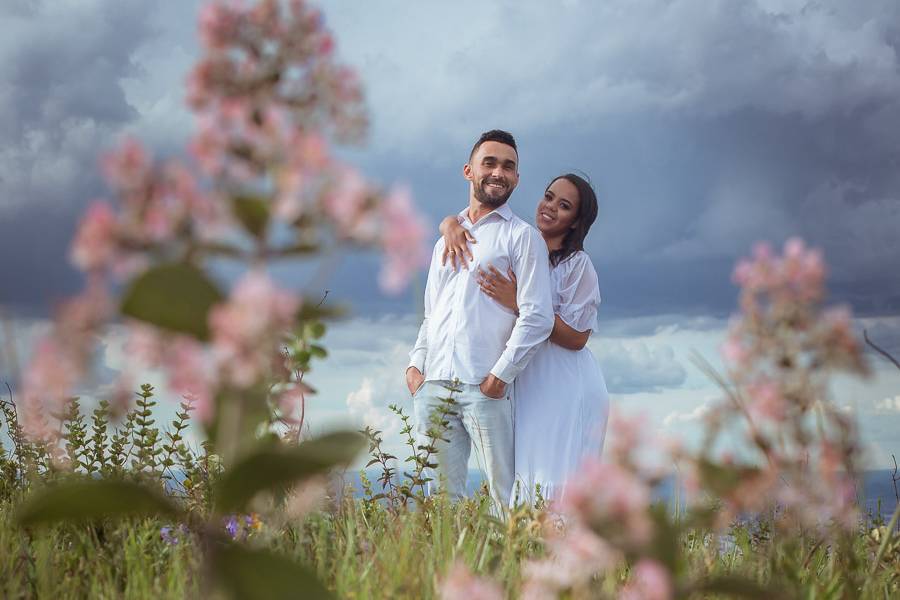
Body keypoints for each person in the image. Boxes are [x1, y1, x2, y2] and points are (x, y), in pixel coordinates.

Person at [406, 130, 554, 510]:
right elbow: (432, 312)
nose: (498, 172)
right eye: (490, 162)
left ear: (517, 179)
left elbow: (538, 317)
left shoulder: (523, 237)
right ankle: (446, 569)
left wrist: (498, 377)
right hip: (434, 383)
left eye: (509, 166)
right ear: (469, 171)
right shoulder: (445, 240)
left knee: (505, 500)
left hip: (484, 387)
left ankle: (508, 570)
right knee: (442, 503)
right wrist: (415, 366)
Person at [439, 173, 609, 503]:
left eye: (564, 206)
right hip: (524, 377)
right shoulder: (518, 244)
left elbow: (578, 338)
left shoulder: (577, 265)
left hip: (563, 381)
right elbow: (475, 224)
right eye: (548, 197)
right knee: (522, 476)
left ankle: (563, 550)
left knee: (553, 475)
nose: (550, 208)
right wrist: (448, 224)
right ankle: (526, 550)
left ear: (576, 221)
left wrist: (521, 302)